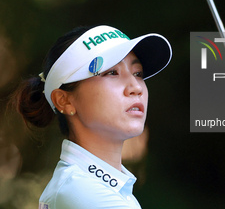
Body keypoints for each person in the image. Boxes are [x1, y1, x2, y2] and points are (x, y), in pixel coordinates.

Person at [11, 25, 172, 209]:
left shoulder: (94, 188)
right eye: (112, 72)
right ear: (64, 101)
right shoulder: (84, 193)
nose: (136, 87)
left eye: (138, 73)